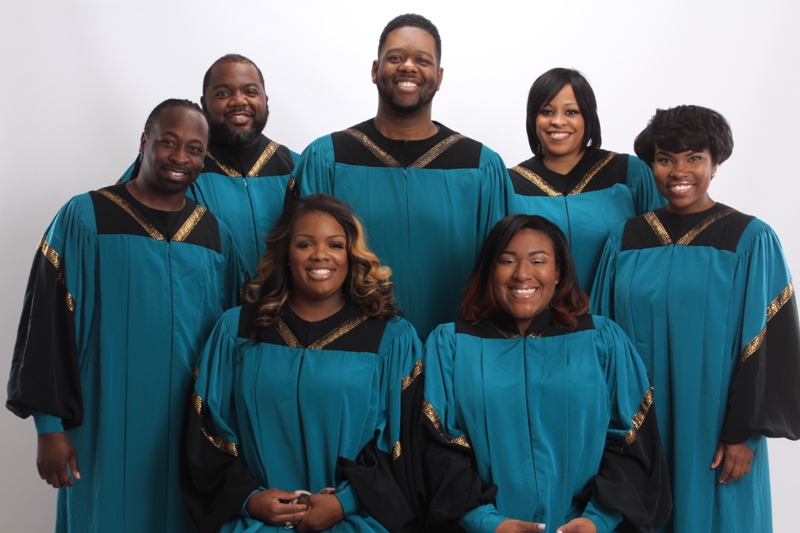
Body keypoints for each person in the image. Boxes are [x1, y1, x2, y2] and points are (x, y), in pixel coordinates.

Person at [6, 99, 246, 533]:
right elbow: (48, 320)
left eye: (194, 149)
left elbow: (232, 342)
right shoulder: (86, 217)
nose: (180, 157)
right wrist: (49, 427)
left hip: (190, 430)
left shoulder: (215, 235)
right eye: (168, 142)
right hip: (105, 421)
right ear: (144, 142)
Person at [591, 105, 800, 532]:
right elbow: (600, 336)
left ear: (715, 162)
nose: (679, 171)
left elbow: (767, 341)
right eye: (666, 159)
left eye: (694, 158)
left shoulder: (749, 238)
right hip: (639, 420)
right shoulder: (626, 239)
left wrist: (743, 434)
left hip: (714, 424)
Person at [182, 194, 421, 533]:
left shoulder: (390, 338)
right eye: (305, 243)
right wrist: (248, 498)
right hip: (254, 524)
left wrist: (345, 501)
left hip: (354, 522)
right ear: (286, 252)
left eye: (335, 244)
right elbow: (206, 431)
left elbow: (403, 444)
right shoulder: (237, 329)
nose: (320, 255)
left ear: (351, 255)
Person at [419, 215, 670, 533]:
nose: (522, 274)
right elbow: (438, 448)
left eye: (538, 261)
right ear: (489, 270)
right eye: (507, 261)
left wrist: (598, 520)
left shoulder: (602, 339)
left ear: (558, 271)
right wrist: (486, 522)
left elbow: (633, 441)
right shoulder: (450, 345)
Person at [291, 14, 512, 339]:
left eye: (422, 60)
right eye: (395, 58)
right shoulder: (327, 158)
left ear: (439, 76)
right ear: (374, 69)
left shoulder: (482, 167)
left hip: (456, 353)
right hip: (353, 353)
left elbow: (505, 274)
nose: (408, 66)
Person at [121, 54, 298, 274]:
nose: (239, 101)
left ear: (265, 99)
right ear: (204, 104)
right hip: (200, 292)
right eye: (223, 93)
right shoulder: (174, 166)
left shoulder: (297, 168)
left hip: (280, 296)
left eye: (251, 92)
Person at [507, 68, 664, 294]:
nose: (558, 121)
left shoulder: (629, 173)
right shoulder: (510, 184)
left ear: (588, 117)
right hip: (538, 312)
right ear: (533, 119)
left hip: (615, 309)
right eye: (547, 111)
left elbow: (659, 251)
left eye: (571, 112)